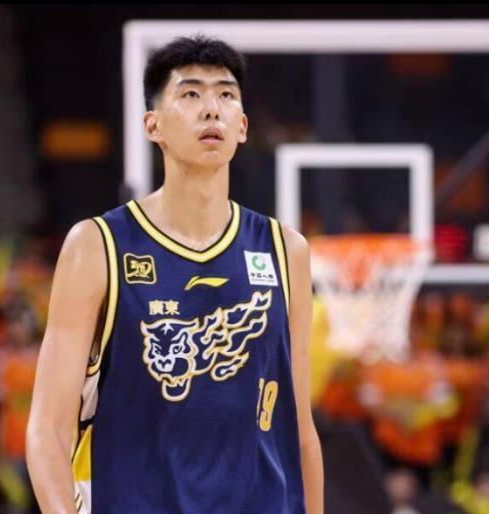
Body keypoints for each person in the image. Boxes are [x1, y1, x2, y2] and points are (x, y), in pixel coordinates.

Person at [26, 35, 324, 514]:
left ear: (242, 127)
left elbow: (300, 430)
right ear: (153, 125)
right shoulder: (98, 246)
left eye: (226, 95)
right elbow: (48, 428)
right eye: (190, 94)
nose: (212, 109)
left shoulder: (286, 251)